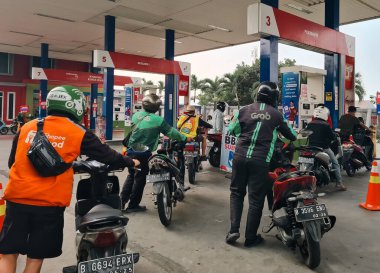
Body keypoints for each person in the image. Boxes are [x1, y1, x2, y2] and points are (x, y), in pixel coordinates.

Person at [0, 86, 139, 273]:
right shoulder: (78, 132)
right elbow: (108, 156)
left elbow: (12, 163)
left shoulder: (28, 126)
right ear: (77, 106)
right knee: (35, 257)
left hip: (17, 199)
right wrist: (131, 161)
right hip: (49, 204)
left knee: (8, 253)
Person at [226, 81, 297, 247]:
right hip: (261, 160)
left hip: (239, 157)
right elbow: (292, 135)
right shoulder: (276, 115)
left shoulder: (243, 110)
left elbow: (232, 130)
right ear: (274, 98)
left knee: (236, 193)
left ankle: (233, 231)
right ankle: (250, 238)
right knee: (256, 199)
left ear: (257, 94)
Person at [121, 94, 191, 213]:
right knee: (140, 179)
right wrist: (184, 138)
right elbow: (171, 132)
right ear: (157, 107)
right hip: (143, 154)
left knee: (131, 175)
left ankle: (121, 202)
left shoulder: (136, 116)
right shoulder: (158, 120)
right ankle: (133, 206)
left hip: (131, 151)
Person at [306, 106, 346, 191]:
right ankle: (339, 183)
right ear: (325, 115)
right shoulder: (325, 125)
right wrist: (335, 135)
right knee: (335, 163)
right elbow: (331, 137)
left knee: (308, 165)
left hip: (311, 147)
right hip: (323, 148)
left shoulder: (310, 123)